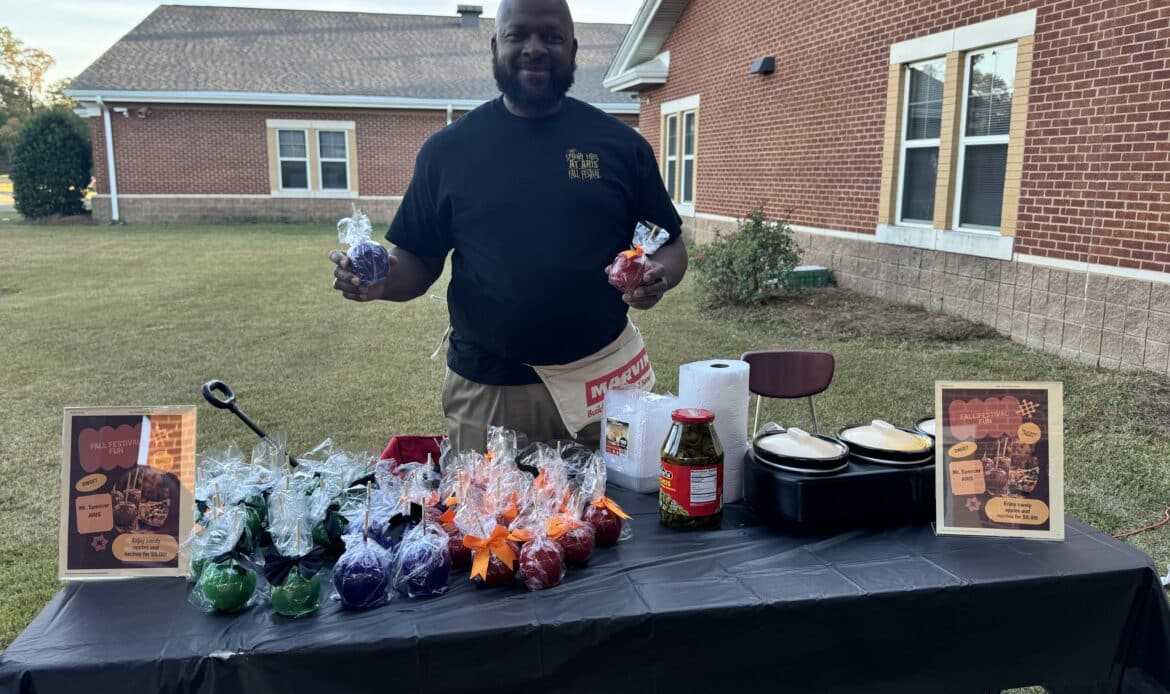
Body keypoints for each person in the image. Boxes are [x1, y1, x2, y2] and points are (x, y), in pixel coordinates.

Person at [329, 0, 687, 452]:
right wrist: (381, 283)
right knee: (486, 501)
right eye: (518, 35)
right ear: (496, 45)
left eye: (551, 37)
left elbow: (670, 244)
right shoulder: (449, 152)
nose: (534, 48)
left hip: (604, 385)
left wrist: (658, 275)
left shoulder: (619, 146)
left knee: (612, 498)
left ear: (573, 49)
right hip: (489, 392)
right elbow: (418, 258)